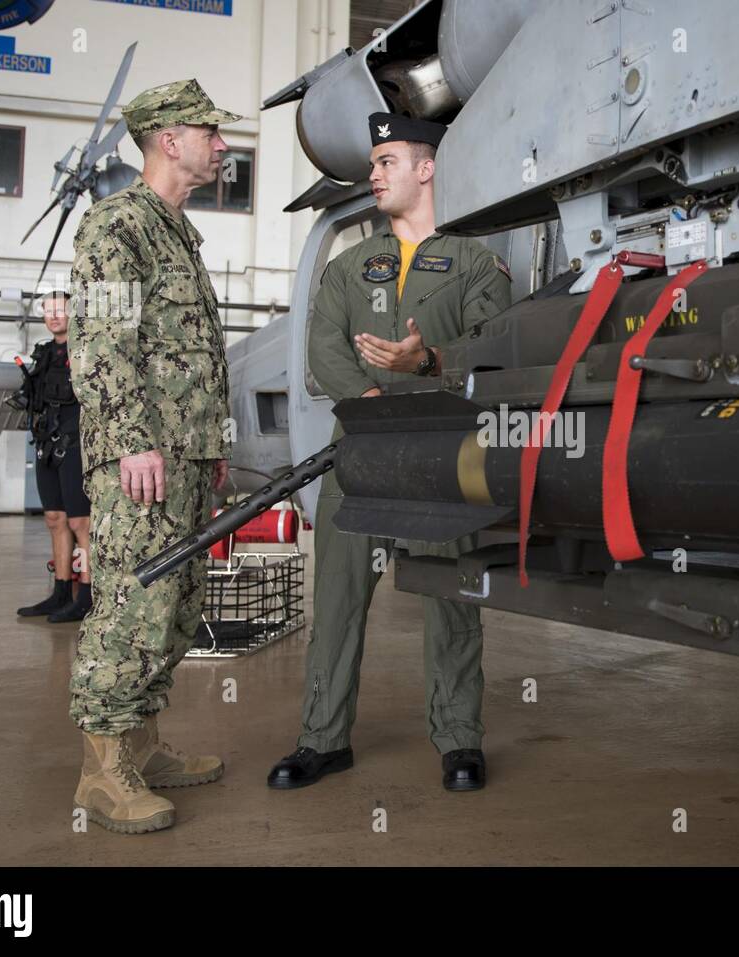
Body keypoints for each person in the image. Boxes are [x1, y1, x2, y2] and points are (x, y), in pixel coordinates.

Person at [267, 112, 512, 794]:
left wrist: (429, 359)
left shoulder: (475, 262)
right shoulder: (349, 266)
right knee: (338, 597)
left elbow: (497, 347)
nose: (373, 175)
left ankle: (460, 739)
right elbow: (323, 350)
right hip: (362, 455)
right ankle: (323, 738)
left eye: (386, 161)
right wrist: (374, 400)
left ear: (426, 167)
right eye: (372, 164)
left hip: (443, 458)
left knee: (452, 599)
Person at [66, 79, 238, 834]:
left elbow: (195, 359)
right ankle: (102, 775)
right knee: (131, 611)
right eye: (211, 131)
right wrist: (132, 437)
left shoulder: (178, 233)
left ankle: (140, 743)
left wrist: (214, 449)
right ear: (169, 139)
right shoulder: (118, 225)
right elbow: (103, 343)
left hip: (188, 459)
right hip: (140, 459)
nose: (223, 143)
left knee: (175, 609)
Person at [15, 288, 92, 623]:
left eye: (61, 310)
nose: (54, 316)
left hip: (76, 446)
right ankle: (60, 591)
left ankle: (87, 596)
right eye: (48, 311)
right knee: (54, 520)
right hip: (47, 445)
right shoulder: (44, 354)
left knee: (81, 523)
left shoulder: (88, 352)